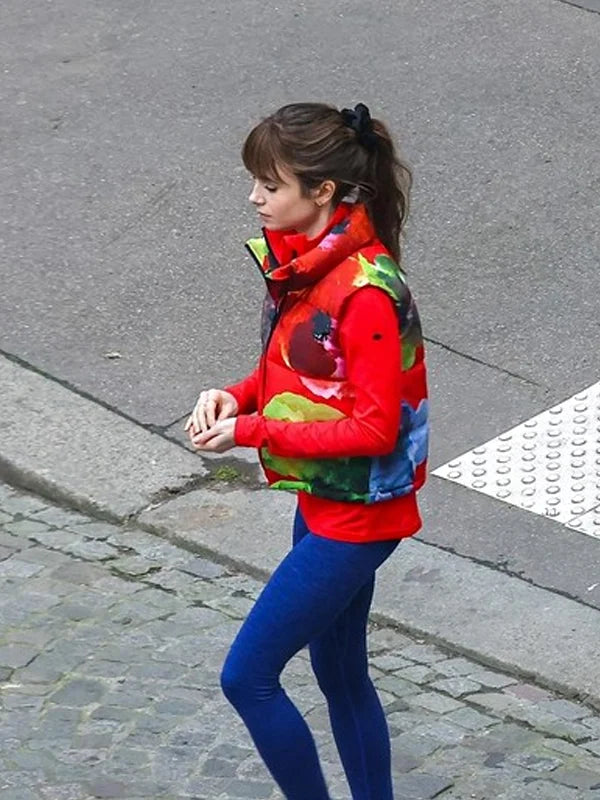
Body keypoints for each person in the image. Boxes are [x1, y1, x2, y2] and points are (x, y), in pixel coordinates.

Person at [185, 102, 429, 800]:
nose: (254, 196)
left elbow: (375, 430)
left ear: (322, 192)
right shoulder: (313, 263)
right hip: (326, 503)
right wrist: (239, 395)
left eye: (270, 183)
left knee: (248, 677)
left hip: (357, 520)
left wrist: (251, 432)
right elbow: (304, 376)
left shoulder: (365, 293)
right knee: (341, 673)